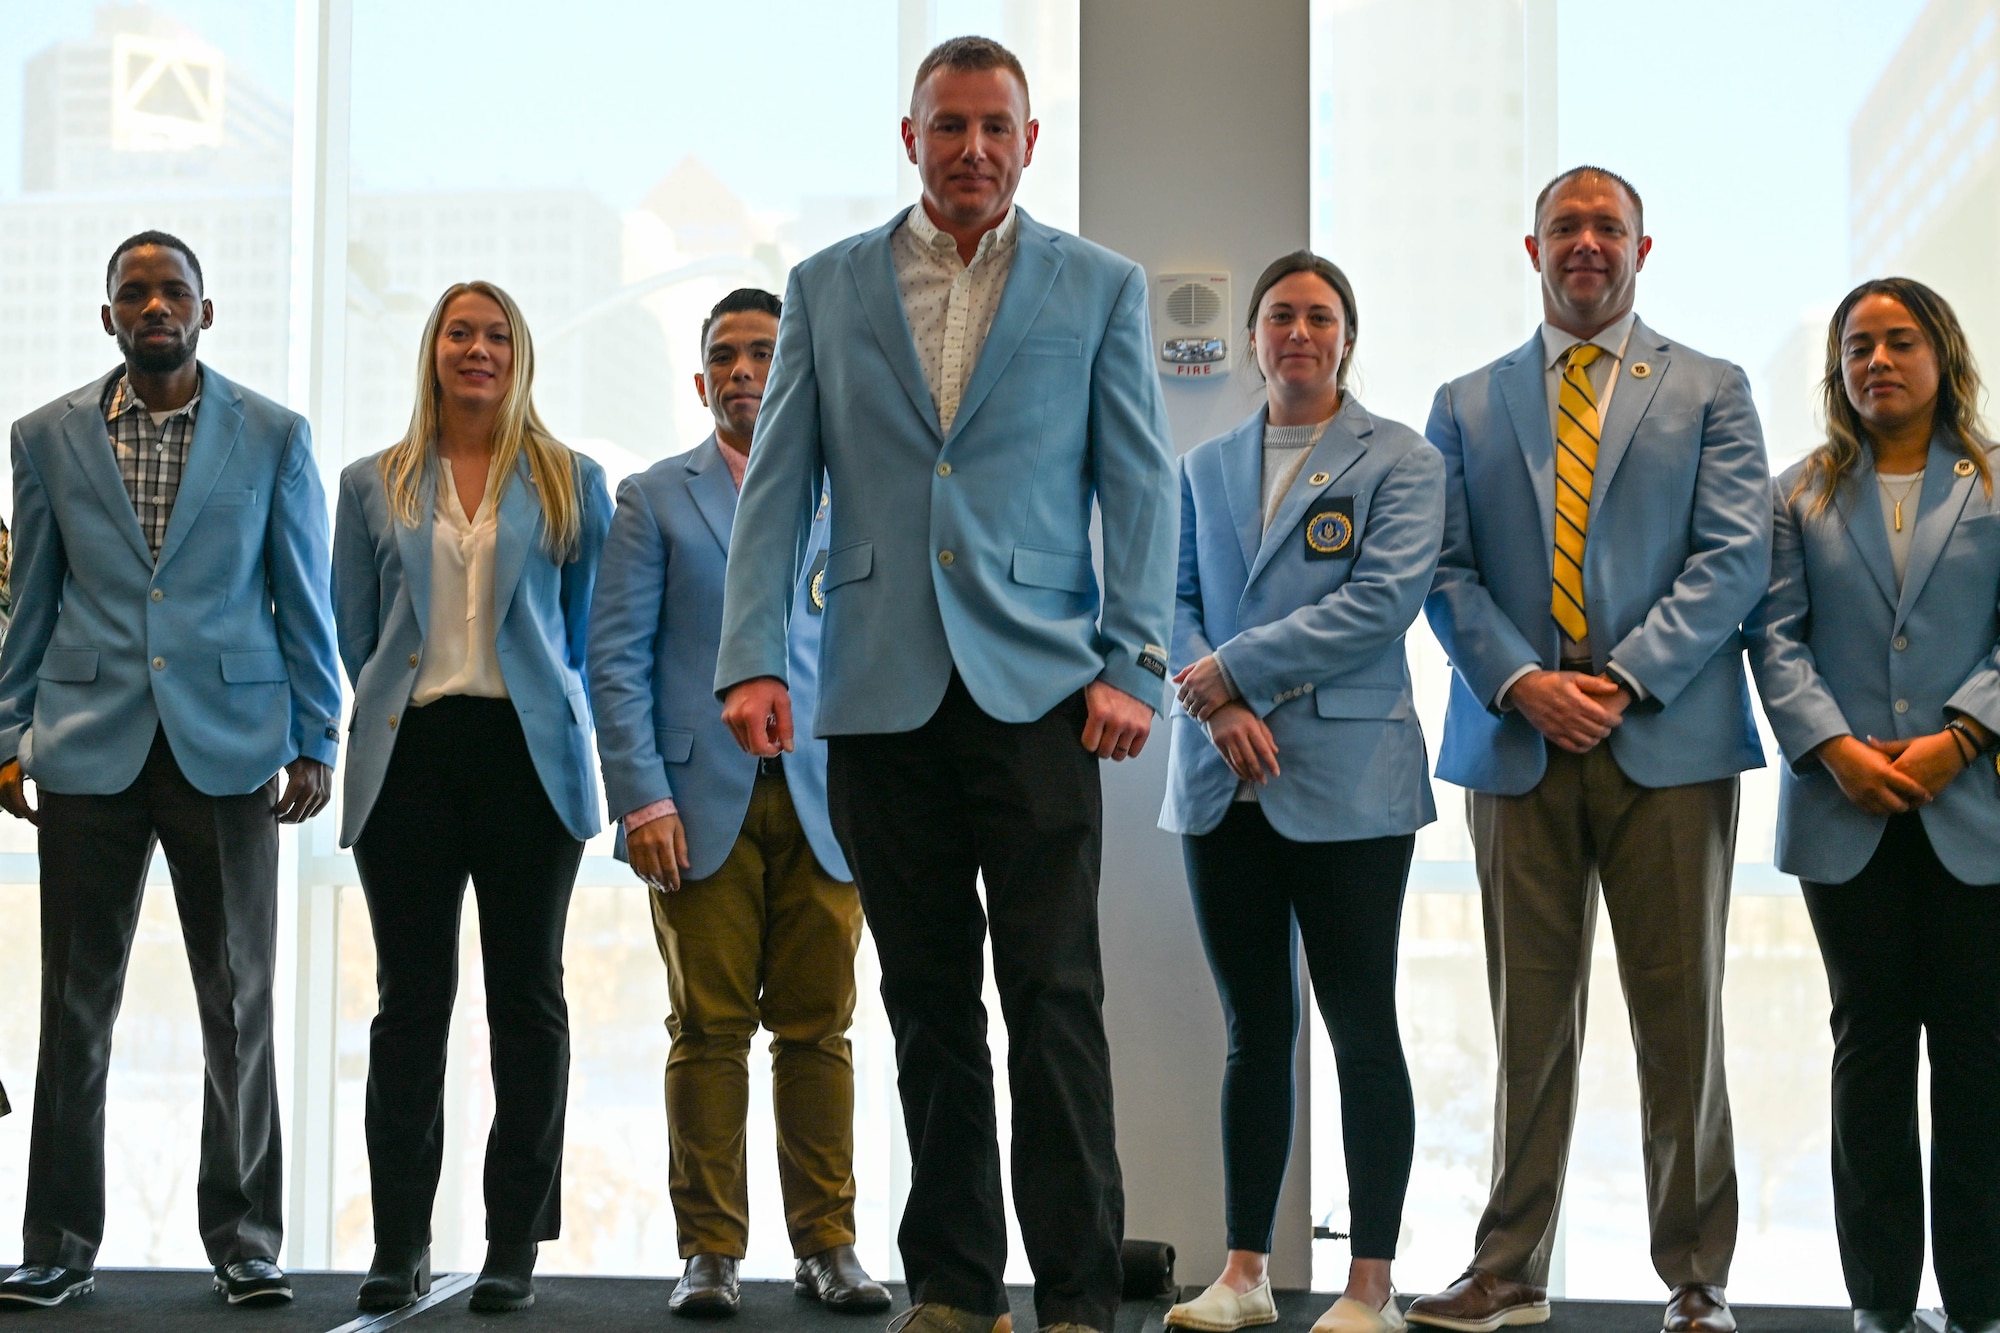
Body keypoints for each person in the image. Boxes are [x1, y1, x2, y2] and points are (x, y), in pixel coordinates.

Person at [714, 35, 1177, 1333]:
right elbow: (777, 484)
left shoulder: (1100, 286)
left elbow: (1140, 485)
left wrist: (1134, 660)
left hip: (1042, 691)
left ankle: (1077, 1293)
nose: (972, 148)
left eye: (995, 127)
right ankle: (958, 1288)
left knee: (1054, 996)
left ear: (1029, 142)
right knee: (924, 1002)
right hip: (878, 693)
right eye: (949, 126)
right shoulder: (826, 286)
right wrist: (752, 655)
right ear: (909, 138)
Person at [1410, 167, 1772, 1333]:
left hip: (1666, 743)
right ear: (1530, 249)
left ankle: (1695, 1280)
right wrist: (1522, 682)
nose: (1583, 243)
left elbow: (1732, 557)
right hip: (1516, 745)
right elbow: (1442, 567)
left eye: (1604, 226)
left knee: (1681, 1023)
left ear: (1639, 248)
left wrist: (1618, 682)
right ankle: (1506, 1268)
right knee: (1525, 1024)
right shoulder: (1464, 402)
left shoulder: (1710, 388)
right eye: (1562, 226)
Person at [0, 231, 340, 1309]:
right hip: (87, 741)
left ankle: (244, 1239)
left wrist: (317, 733)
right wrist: (6, 735)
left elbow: (302, 596)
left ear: (206, 309)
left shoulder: (274, 435)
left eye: (174, 291)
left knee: (238, 1001)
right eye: (135, 292)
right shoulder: (43, 436)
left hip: (230, 743)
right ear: (108, 316)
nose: (156, 306)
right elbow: (32, 601)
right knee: (73, 1005)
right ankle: (58, 1243)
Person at [588, 288, 890, 1320]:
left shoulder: (853, 493)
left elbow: (878, 647)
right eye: (724, 355)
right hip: (692, 804)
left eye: (764, 352)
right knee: (708, 1031)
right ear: (699, 379)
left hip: (826, 801)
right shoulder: (653, 498)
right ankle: (709, 1252)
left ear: (798, 370)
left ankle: (828, 1245)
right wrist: (640, 800)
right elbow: (615, 660)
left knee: (818, 1030)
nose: (744, 370)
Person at [1160, 252, 1442, 1333]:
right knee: (1253, 1029)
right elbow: (1170, 601)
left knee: (1361, 1025)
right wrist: (1214, 707)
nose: (1298, 332)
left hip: (1348, 779)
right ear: (1251, 337)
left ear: (1346, 339)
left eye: (1320, 317)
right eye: (1279, 315)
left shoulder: (1401, 459)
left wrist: (1236, 674)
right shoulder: (1203, 465)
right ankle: (1244, 1272)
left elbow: (1380, 602)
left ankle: (1369, 1285)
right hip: (1219, 779)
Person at [332, 280, 610, 1315]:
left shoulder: (572, 479)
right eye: (460, 332)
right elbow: (355, 628)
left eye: (495, 335)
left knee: (526, 1003)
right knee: (409, 1006)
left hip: (526, 758)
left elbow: (583, 634)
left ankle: (510, 1245)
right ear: (434, 349)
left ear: (518, 354)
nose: (477, 349)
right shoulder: (373, 482)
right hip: (409, 754)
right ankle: (400, 1240)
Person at [1745, 278, 2000, 1333]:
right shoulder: (1795, 493)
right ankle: (1880, 1305)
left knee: (1979, 1056)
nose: (1876, 361)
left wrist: (1960, 737)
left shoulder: (1994, 481)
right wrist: (1834, 749)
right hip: (1841, 809)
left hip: (1974, 805)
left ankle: (1979, 1302)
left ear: (1942, 357)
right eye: (1857, 346)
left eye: (1898, 342)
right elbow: (1773, 636)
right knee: (1869, 1048)